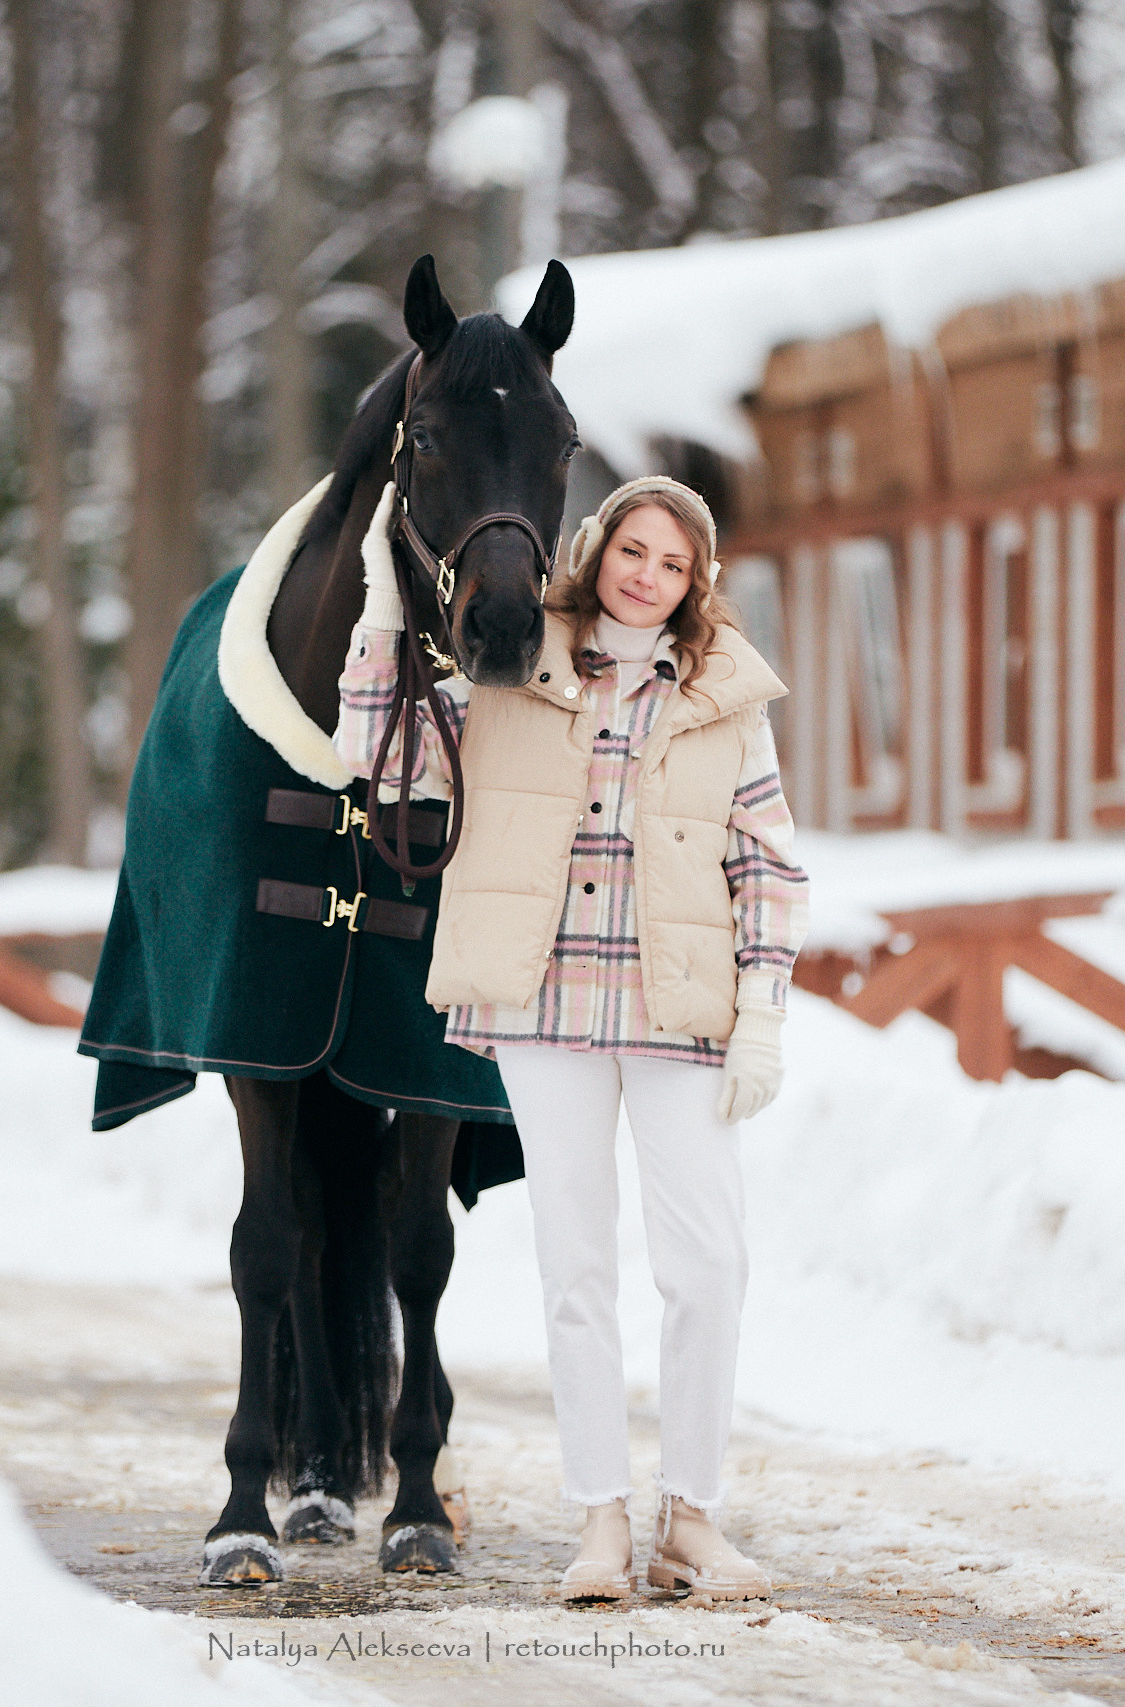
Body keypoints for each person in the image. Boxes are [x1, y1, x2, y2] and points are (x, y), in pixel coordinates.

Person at [334, 474, 807, 1604]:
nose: (646, 576)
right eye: (632, 550)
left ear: (695, 587)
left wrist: (764, 1011)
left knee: (707, 1267)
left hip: (678, 1010)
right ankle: (599, 1521)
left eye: (673, 563)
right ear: (596, 552)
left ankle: (690, 1519)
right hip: (545, 1008)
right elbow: (380, 759)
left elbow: (769, 866)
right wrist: (382, 622)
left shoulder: (725, 700)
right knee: (575, 1269)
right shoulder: (511, 668)